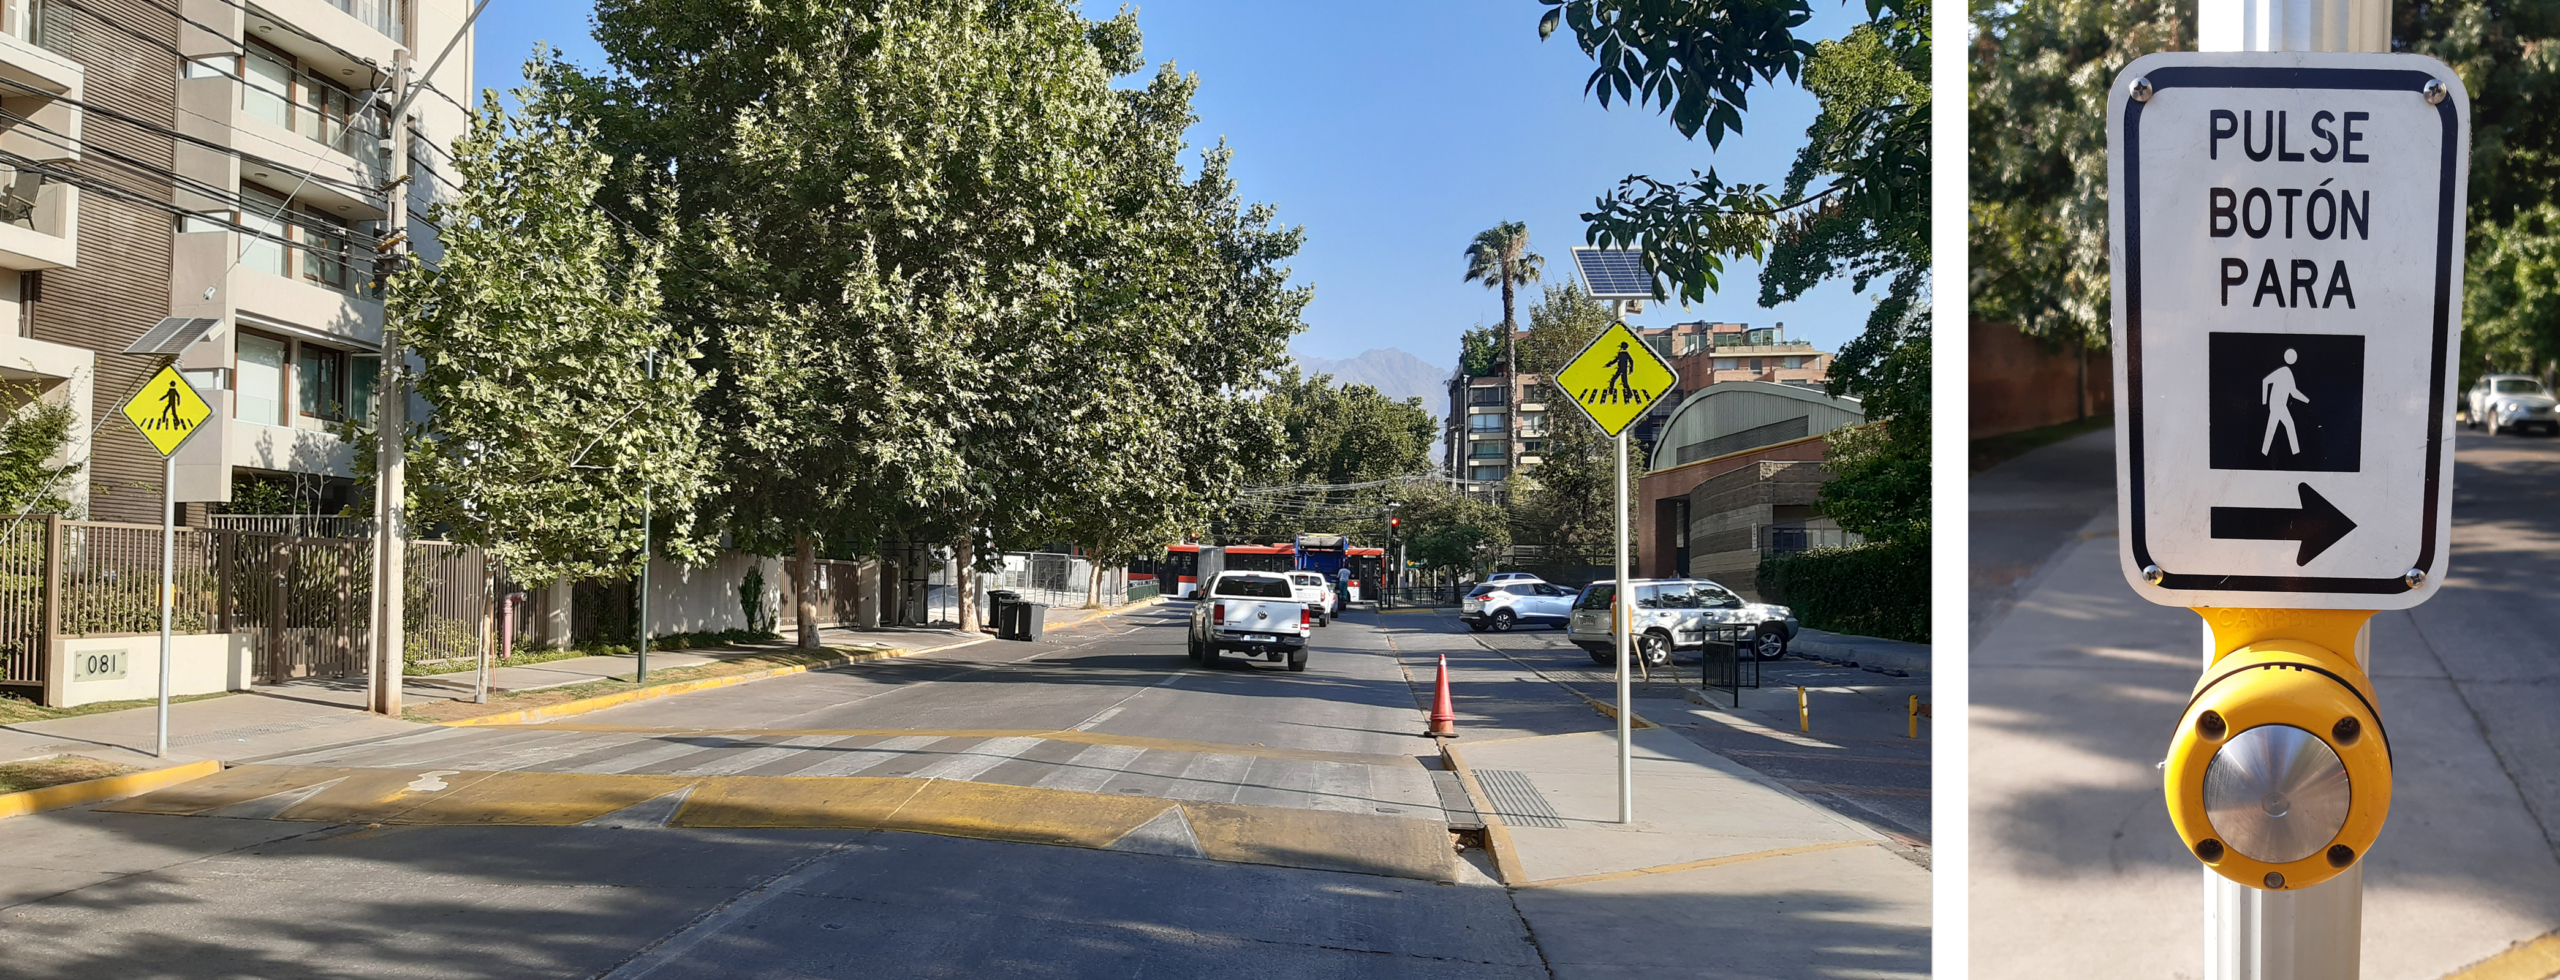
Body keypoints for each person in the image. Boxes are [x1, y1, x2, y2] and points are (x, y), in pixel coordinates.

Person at [2261, 348, 2309, 456]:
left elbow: (2293, 393)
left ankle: (2264, 452)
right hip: (2277, 405)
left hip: (2280, 405)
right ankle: (2296, 453)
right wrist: (2264, 402)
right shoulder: (2284, 370)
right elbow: (2265, 381)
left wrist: (2307, 401)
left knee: (2272, 427)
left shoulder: (2289, 374)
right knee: (2289, 425)